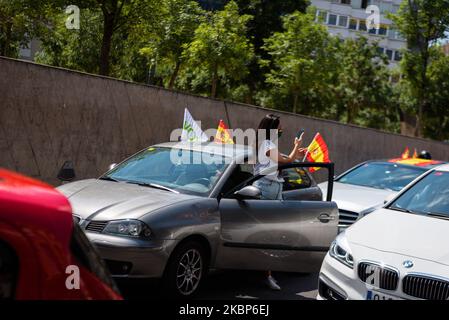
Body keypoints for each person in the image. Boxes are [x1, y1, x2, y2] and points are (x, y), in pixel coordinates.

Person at [252, 114, 305, 291]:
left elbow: (286, 159)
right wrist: (296, 146)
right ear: (272, 129)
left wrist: (296, 153)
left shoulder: (267, 144)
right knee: (269, 234)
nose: (282, 130)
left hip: (274, 186)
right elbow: (287, 160)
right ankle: (265, 274)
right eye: (279, 127)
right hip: (266, 187)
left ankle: (267, 272)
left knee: (274, 233)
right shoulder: (266, 144)